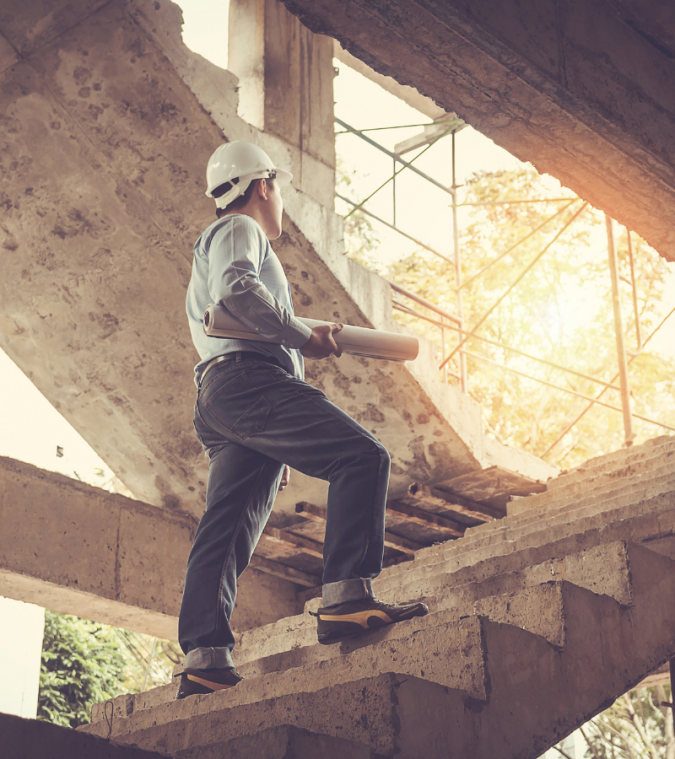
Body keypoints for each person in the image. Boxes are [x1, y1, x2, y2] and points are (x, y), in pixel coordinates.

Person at [176, 141, 428, 699]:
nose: (281, 197)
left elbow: (231, 306)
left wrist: (271, 438)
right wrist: (301, 336)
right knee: (363, 456)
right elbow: (238, 291)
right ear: (262, 185)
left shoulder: (216, 239)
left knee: (228, 526)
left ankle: (205, 658)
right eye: (280, 186)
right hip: (249, 382)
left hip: (226, 396)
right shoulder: (242, 230)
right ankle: (346, 598)